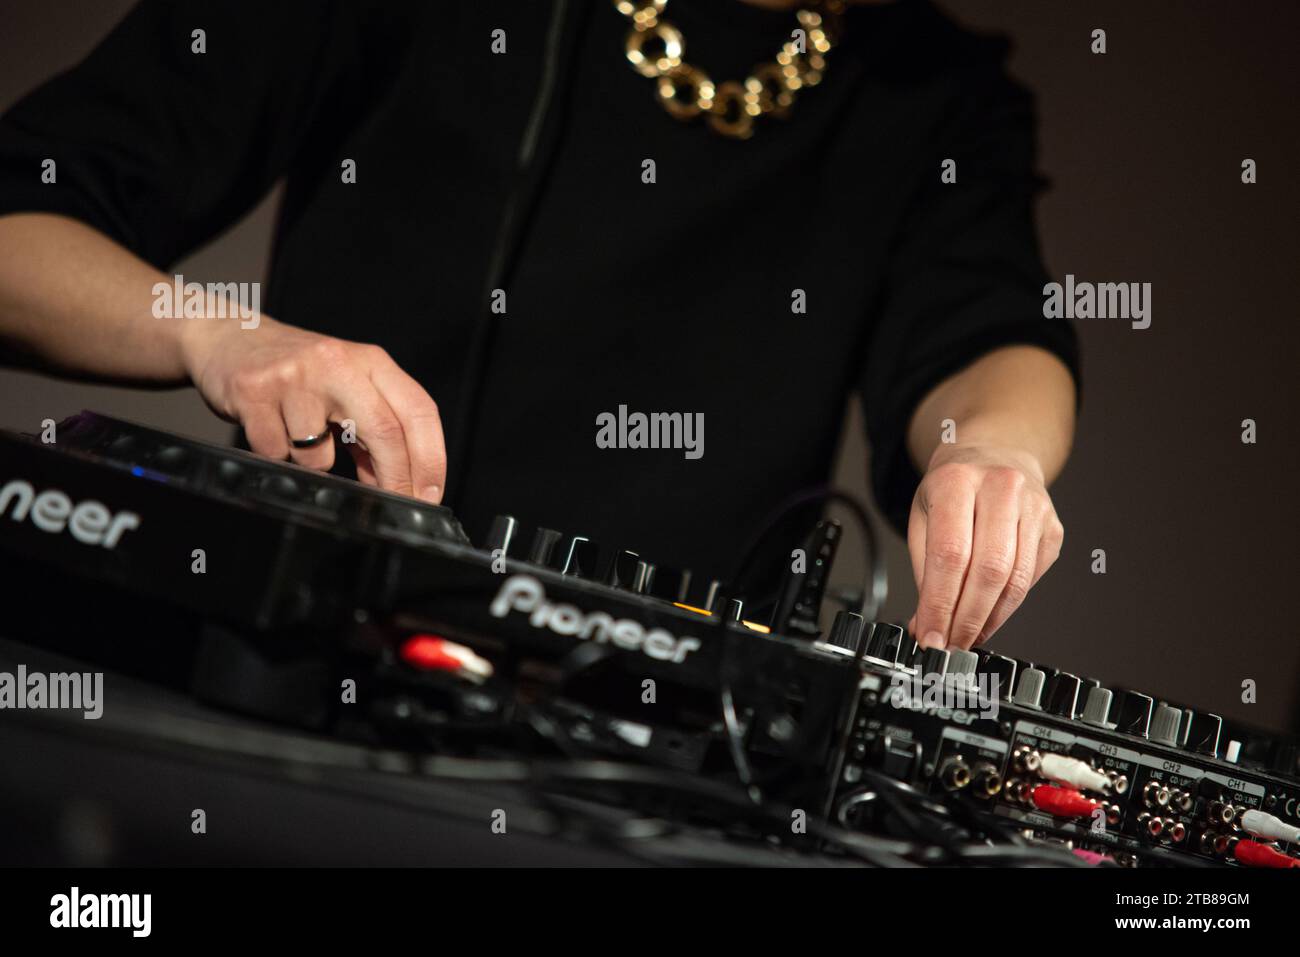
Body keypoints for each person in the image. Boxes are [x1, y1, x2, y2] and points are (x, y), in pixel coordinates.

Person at [0, 0, 1077, 651]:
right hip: (295, 669)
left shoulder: (937, 90)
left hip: (679, 774)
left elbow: (985, 332)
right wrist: (219, 335)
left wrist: (989, 451)